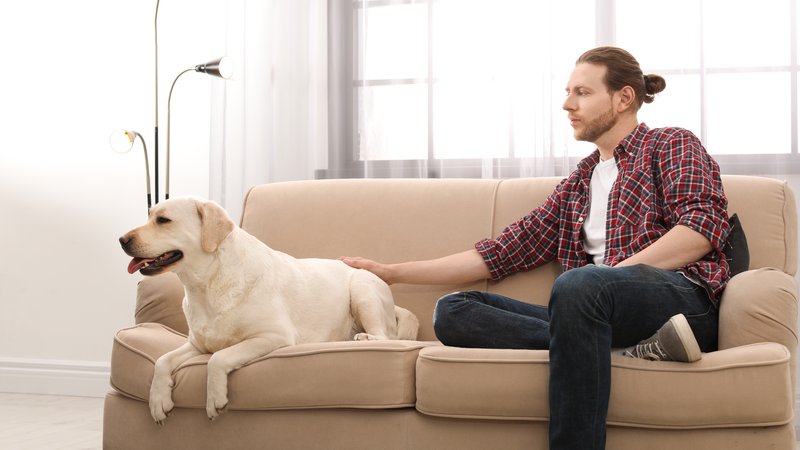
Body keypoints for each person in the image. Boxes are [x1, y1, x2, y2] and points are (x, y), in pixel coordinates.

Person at [340, 46, 730, 450]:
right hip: (591, 309)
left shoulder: (670, 145)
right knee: (454, 310)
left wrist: (605, 278)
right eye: (568, 92)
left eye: (581, 92)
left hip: (679, 301)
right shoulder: (578, 185)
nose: (567, 104)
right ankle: (623, 349)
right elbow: (499, 253)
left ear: (623, 98)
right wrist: (389, 272)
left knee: (579, 286)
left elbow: (699, 230)